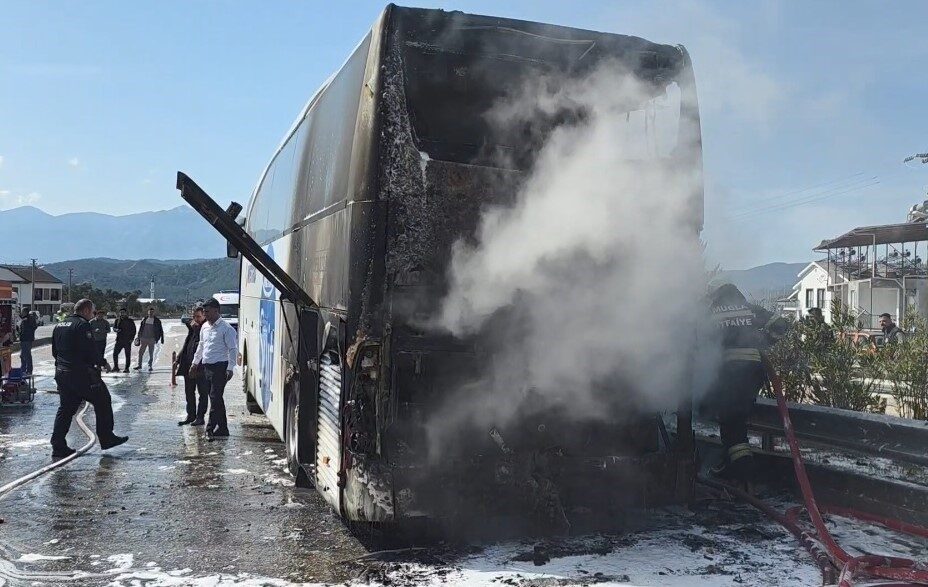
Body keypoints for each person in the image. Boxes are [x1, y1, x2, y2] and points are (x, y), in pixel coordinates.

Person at [703, 283, 766, 483]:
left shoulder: (712, 312)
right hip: (754, 371)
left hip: (731, 372)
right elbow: (780, 323)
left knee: (731, 422)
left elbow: (700, 342)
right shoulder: (750, 309)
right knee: (736, 420)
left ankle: (742, 470)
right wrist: (765, 342)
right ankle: (734, 466)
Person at [50, 298, 128, 458]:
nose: (93, 315)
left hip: (62, 372)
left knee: (66, 409)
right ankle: (106, 437)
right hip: (80, 374)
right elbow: (90, 350)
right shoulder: (82, 325)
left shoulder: (60, 324)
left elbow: (54, 351)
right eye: (92, 312)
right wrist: (103, 363)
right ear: (86, 311)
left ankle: (57, 445)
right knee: (103, 400)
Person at [191, 298, 237, 441]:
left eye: (208, 312)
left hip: (220, 367)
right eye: (204, 312)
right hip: (207, 366)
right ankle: (223, 428)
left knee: (215, 398)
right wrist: (195, 363)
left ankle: (209, 429)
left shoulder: (226, 328)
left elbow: (233, 349)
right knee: (216, 399)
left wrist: (230, 368)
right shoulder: (204, 327)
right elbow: (201, 346)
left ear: (216, 311)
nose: (205, 314)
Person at [176, 306, 208, 426]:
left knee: (203, 393)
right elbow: (187, 344)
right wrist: (179, 359)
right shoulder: (193, 329)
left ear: (204, 316)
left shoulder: (206, 328)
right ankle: (191, 415)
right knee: (189, 392)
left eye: (198, 316)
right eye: (194, 316)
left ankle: (200, 417)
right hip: (188, 365)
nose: (196, 319)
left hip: (201, 367)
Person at [134, 307, 164, 372]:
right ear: (148, 312)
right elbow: (141, 329)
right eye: (150, 312)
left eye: (152, 312)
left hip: (152, 339)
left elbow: (161, 330)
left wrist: (161, 338)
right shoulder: (144, 319)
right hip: (143, 338)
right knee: (140, 352)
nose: (151, 313)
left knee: (151, 353)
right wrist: (138, 337)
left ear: (154, 312)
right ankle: (139, 365)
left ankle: (150, 366)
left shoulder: (157, 321)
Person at [112, 308, 136, 373]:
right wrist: (116, 330)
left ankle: (127, 368)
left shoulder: (130, 320)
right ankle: (116, 367)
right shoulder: (117, 320)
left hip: (127, 340)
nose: (122, 313)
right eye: (121, 312)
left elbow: (134, 330)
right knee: (115, 354)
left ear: (126, 313)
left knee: (127, 355)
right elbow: (114, 328)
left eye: (123, 312)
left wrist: (132, 339)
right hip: (119, 340)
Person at [17, 309, 38, 374]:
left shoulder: (26, 320)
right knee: (23, 355)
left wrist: (19, 332)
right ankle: (24, 369)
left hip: (25, 340)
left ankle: (27, 370)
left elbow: (23, 331)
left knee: (26, 355)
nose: (21, 313)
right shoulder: (29, 319)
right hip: (27, 339)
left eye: (22, 312)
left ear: (25, 312)